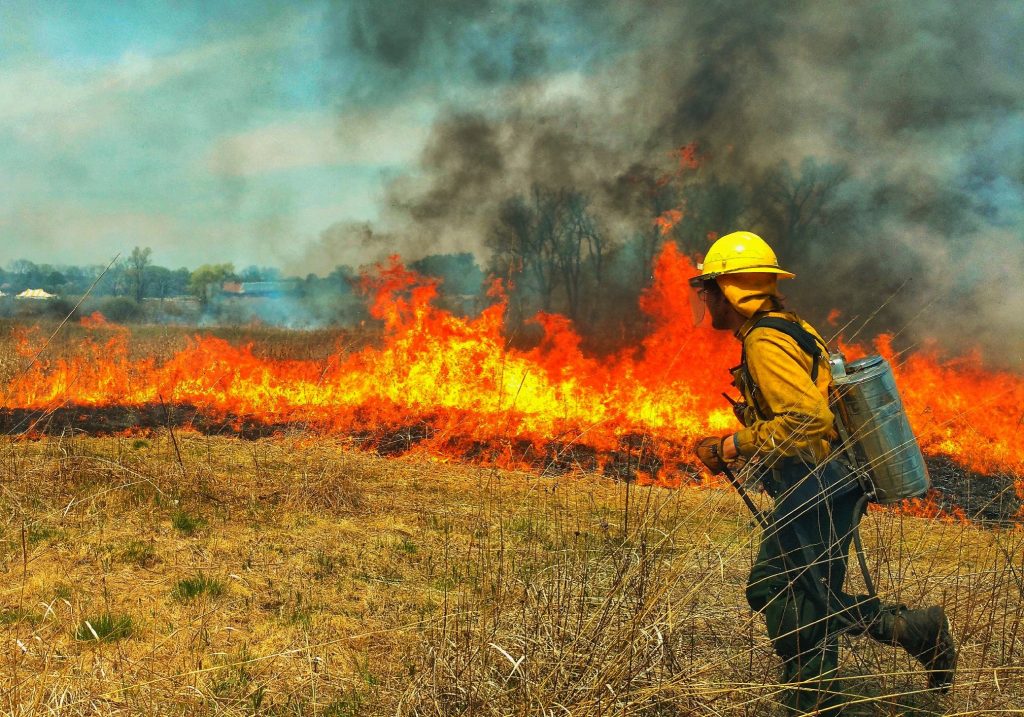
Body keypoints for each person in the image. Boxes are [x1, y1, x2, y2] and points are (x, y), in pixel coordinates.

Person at [689, 231, 957, 715]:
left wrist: (732, 445)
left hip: (817, 482)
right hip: (831, 480)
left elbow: (806, 420)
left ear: (729, 290)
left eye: (708, 289)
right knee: (812, 593)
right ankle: (847, 677)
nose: (705, 300)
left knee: (777, 590)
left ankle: (878, 653)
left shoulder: (765, 340)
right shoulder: (790, 327)